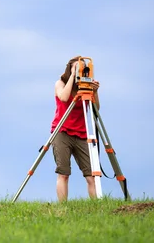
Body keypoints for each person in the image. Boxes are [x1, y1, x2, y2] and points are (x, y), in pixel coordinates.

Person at [51, 55, 100, 202]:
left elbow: (95, 110)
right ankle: (63, 207)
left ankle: (97, 206)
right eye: (77, 67)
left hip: (81, 133)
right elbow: (64, 98)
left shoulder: (86, 87)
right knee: (64, 173)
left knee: (91, 175)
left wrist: (95, 92)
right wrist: (73, 75)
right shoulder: (60, 83)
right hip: (62, 131)